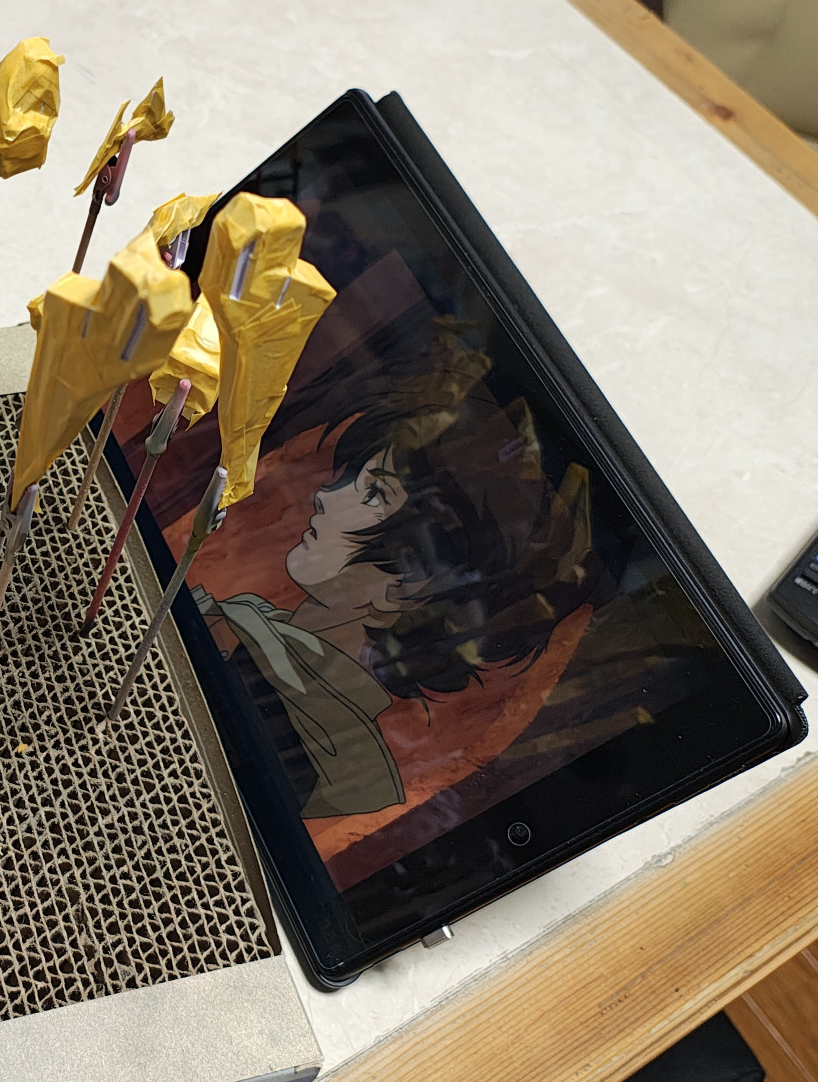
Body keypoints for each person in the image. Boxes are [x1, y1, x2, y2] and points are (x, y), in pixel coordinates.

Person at [193, 317, 604, 821]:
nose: (324, 496)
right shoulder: (251, 631)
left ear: (409, 584)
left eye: (371, 493)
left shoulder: (313, 738)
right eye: (351, 478)